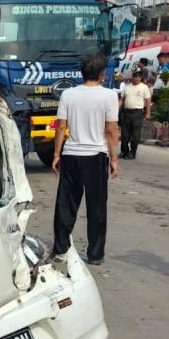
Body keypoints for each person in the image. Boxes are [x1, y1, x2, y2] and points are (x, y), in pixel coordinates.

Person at [51, 53, 119, 266]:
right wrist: (114, 159)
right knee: (96, 206)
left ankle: (60, 249)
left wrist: (56, 155)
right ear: (101, 74)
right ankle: (95, 254)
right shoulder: (109, 95)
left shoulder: (68, 94)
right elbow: (111, 130)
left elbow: (61, 126)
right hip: (95, 156)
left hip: (71, 154)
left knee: (66, 204)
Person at [119, 68, 151, 159]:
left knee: (135, 135)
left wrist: (148, 113)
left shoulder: (144, 87)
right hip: (126, 113)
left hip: (137, 113)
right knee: (124, 135)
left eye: (139, 76)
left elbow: (147, 101)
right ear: (132, 77)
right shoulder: (127, 87)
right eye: (135, 76)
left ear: (141, 78)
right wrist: (116, 109)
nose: (137, 78)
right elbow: (122, 100)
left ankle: (132, 153)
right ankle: (124, 151)